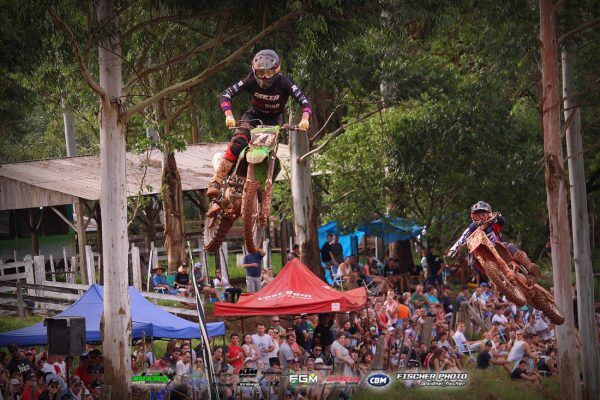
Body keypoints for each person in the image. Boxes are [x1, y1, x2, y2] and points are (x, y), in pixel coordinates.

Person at [207, 49, 312, 198]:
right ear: (254, 70)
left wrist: (305, 119)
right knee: (238, 144)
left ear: (277, 70)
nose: (265, 78)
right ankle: (216, 181)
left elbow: (304, 101)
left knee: (270, 154)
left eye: (269, 73)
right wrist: (228, 115)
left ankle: (263, 192)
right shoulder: (250, 79)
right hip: (252, 118)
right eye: (261, 73)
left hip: (273, 123)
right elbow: (226, 94)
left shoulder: (284, 82)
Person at [447, 201, 540, 278]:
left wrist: (497, 217)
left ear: (489, 214)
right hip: (484, 254)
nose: (481, 217)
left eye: (484, 215)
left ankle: (530, 266)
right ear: (473, 217)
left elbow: (502, 221)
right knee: (473, 262)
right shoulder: (472, 227)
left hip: (499, 246)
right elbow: (462, 237)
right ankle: (495, 281)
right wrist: (453, 249)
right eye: (478, 215)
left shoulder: (493, 222)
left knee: (513, 249)